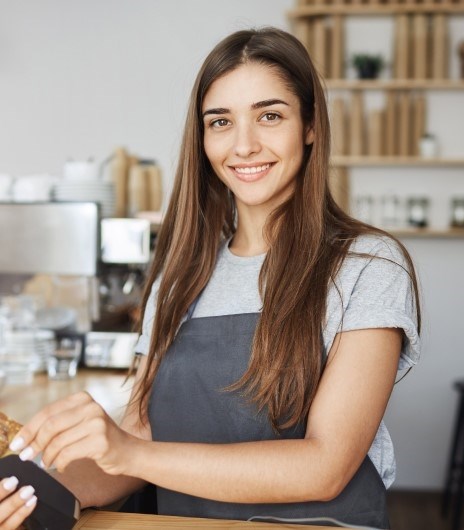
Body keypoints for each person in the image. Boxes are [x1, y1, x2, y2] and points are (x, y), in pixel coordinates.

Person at [0, 27, 420, 529]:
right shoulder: (181, 278)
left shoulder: (368, 266)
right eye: (220, 122)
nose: (244, 145)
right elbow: (142, 430)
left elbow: (325, 467)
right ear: (201, 139)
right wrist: (35, 495)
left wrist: (128, 452)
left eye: (269, 116)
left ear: (309, 124)